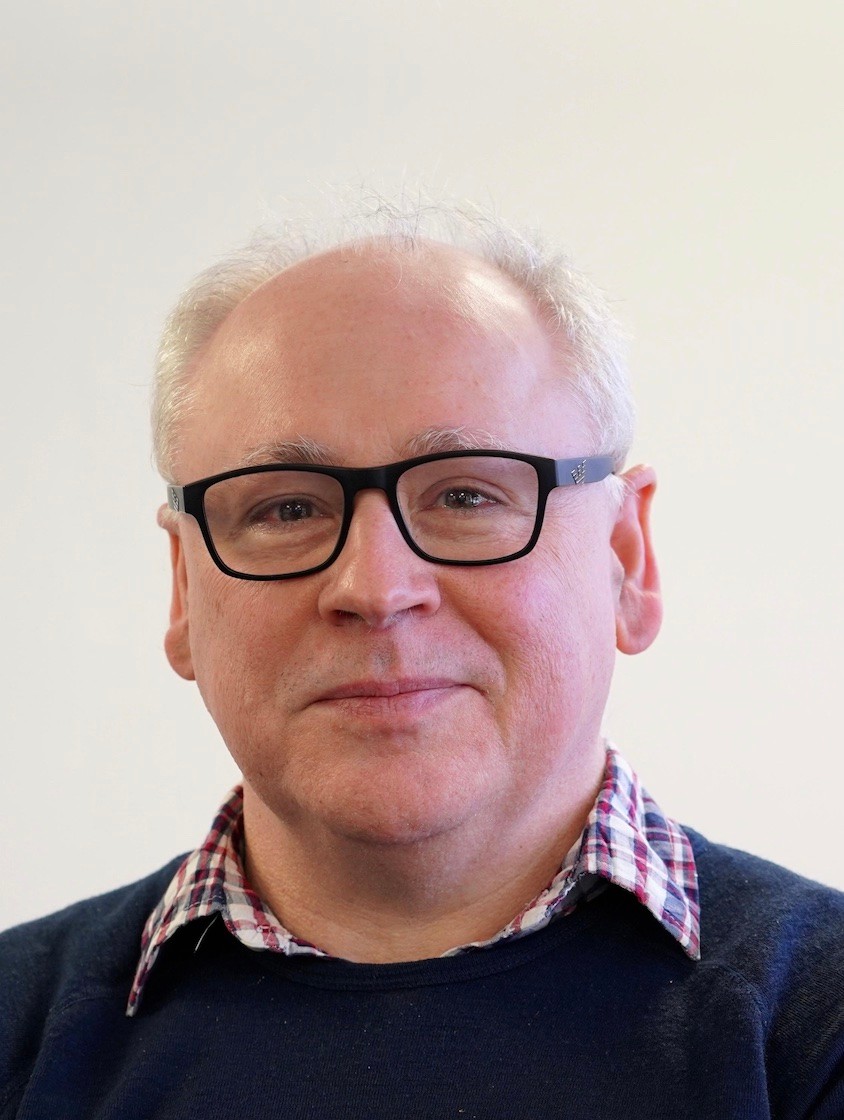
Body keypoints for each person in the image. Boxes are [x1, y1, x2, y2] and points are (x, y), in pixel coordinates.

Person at [1, 199, 842, 1119]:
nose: (375, 587)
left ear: (625, 560)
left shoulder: (816, 1026)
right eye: (287, 509)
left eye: (467, 495)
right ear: (182, 591)